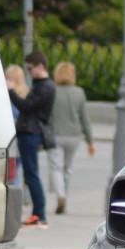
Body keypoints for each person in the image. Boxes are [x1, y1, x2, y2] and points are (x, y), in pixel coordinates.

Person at [9, 50, 56, 228]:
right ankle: (38, 214)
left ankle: (39, 215)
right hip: (29, 133)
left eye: (30, 68)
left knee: (31, 176)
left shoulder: (45, 87)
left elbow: (27, 106)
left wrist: (11, 91)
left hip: (31, 133)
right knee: (30, 175)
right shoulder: (41, 85)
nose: (28, 72)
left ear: (40, 67)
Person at [47, 61, 96, 215]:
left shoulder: (52, 91)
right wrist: (90, 141)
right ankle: (65, 199)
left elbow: (46, 116)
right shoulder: (79, 92)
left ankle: (60, 195)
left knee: (55, 167)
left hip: (56, 135)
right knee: (67, 168)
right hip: (74, 137)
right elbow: (85, 119)